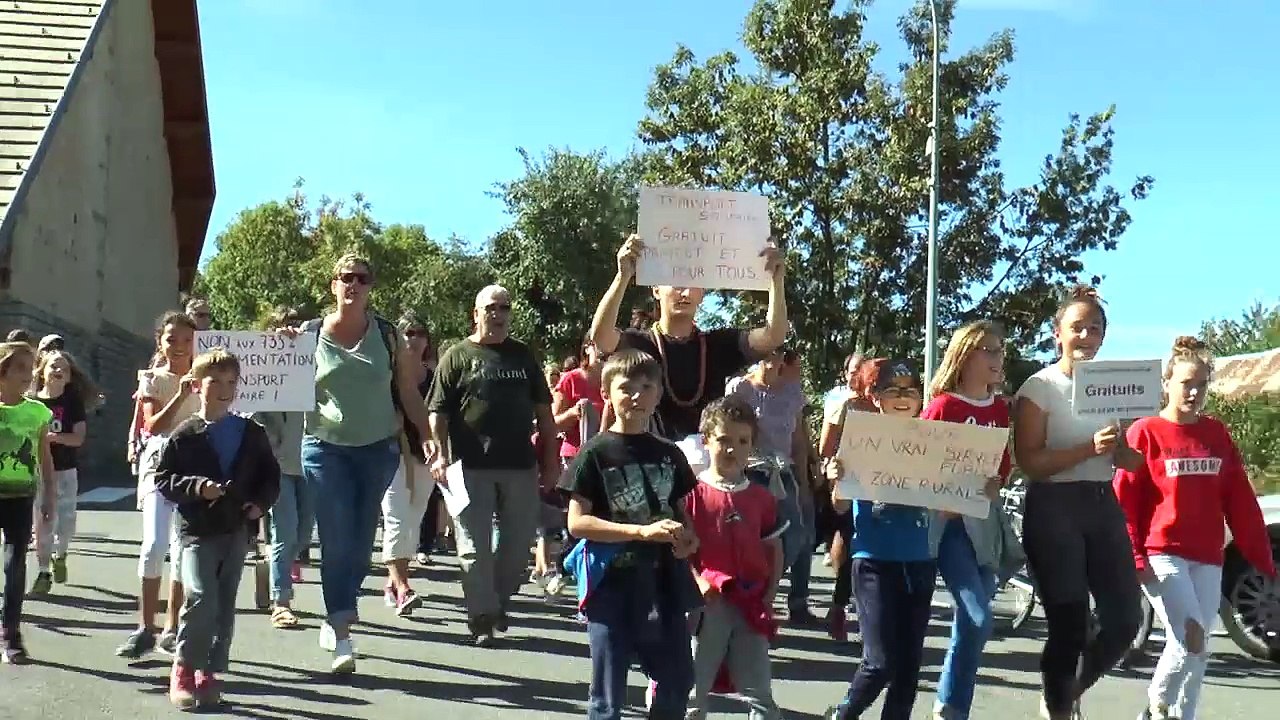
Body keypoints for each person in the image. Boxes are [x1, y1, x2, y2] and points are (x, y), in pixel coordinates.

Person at [1114, 336, 1276, 720]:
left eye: (1202, 384)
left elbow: (1239, 499)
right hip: (1162, 553)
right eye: (1187, 383)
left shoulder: (1215, 434)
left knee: (1199, 648)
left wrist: (1262, 557)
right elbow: (1124, 499)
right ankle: (1156, 706)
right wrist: (1134, 556)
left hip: (1207, 555)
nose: (1194, 392)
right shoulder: (1145, 432)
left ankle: (1184, 714)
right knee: (1189, 638)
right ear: (1167, 382)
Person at [1012, 285, 1144, 720]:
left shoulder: (1112, 385)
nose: (1086, 336)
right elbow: (1030, 462)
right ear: (1057, 333)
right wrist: (1089, 448)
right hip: (1054, 507)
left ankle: (1066, 692)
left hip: (1101, 502)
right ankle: (1060, 708)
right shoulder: (1040, 387)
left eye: (1095, 328)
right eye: (1077, 328)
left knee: (1125, 620)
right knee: (1068, 625)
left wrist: (1129, 455)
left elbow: (1121, 454)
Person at [296, 253, 432, 674]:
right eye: (345, 277)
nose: (353, 284)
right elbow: (278, 382)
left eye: (362, 278)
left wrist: (427, 436)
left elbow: (408, 391)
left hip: (377, 447)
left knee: (360, 540)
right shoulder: (309, 334)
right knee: (335, 534)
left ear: (371, 287)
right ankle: (340, 626)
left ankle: (339, 604)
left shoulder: (387, 335)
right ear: (332, 285)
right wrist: (281, 344)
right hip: (325, 446)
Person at [558, 349, 701, 720]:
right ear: (606, 394)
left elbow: (683, 515)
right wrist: (639, 531)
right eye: (626, 388)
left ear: (658, 395)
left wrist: (689, 540)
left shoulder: (670, 454)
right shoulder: (595, 454)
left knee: (678, 679)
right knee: (608, 694)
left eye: (646, 386)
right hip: (611, 585)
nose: (636, 395)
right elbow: (577, 523)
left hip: (663, 585)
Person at [427, 285, 559, 646]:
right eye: (490, 307)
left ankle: (496, 601)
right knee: (473, 546)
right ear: (476, 313)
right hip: (468, 467)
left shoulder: (523, 357)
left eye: (504, 307)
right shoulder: (456, 357)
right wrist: (438, 453)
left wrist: (551, 460)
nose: (498, 313)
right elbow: (437, 413)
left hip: (520, 465)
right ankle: (481, 616)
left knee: (517, 549)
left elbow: (545, 414)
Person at [154, 348, 281, 708]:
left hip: (236, 530)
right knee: (199, 597)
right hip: (197, 531)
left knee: (224, 603)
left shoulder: (250, 431)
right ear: (197, 385)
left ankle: (210, 671)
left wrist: (260, 504)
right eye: (214, 382)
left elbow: (269, 476)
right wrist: (198, 488)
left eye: (231, 382)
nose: (224, 389)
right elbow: (164, 480)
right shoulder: (185, 434)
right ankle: (183, 667)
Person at [588, 233, 788, 441]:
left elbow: (774, 335)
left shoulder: (718, 344)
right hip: (655, 459)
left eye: (692, 283)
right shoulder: (641, 344)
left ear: (702, 292)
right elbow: (601, 336)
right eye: (675, 283)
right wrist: (623, 276)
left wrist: (776, 280)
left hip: (708, 463)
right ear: (656, 289)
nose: (684, 293)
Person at [824, 359, 938, 720]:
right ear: (876, 398)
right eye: (893, 390)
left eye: (911, 391)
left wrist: (976, 488)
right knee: (880, 660)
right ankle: (843, 714)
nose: (903, 398)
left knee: (908, 668)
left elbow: (951, 505)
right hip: (874, 561)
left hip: (920, 562)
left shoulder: (934, 442)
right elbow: (840, 505)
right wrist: (836, 475)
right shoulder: (861, 439)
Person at [920, 321, 1011, 720]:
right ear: (966, 355)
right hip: (951, 527)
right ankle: (952, 707)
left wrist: (995, 482)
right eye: (989, 350)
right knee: (978, 615)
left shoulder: (999, 409)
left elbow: (1004, 468)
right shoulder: (943, 407)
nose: (998, 358)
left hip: (984, 526)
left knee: (970, 625)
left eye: (1000, 350)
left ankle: (951, 707)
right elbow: (915, 463)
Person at [684, 395, 785, 720]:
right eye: (724, 440)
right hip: (708, 604)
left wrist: (770, 593)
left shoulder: (761, 497)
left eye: (742, 441)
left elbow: (774, 548)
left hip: (751, 602)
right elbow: (680, 552)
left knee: (758, 687)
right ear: (706, 441)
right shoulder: (692, 495)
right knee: (694, 687)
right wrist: (697, 583)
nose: (733, 449)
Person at [118, 310, 200, 659]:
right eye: (172, 339)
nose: (179, 347)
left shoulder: (205, 378)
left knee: (183, 550)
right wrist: (180, 396)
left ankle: (172, 626)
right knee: (154, 544)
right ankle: (144, 626)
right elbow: (152, 424)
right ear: (160, 342)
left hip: (194, 469)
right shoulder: (154, 379)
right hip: (159, 466)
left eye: (186, 340)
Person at [727, 348, 816, 624]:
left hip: (782, 471)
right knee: (751, 537)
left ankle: (764, 589)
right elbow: (726, 429)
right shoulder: (740, 388)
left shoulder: (791, 392)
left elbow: (799, 441)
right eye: (765, 354)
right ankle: (745, 596)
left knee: (797, 534)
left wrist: (803, 483)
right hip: (750, 471)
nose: (770, 359)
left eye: (776, 354)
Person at [253, 306, 312, 630]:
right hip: (277, 464)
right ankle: (281, 601)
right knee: (285, 533)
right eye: (282, 327)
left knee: (303, 536)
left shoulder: (312, 361)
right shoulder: (263, 367)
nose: (289, 331)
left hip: (310, 461)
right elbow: (248, 406)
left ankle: (267, 567)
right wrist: (268, 433)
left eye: (294, 325)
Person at [819, 357, 885, 642]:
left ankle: (871, 612)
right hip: (849, 483)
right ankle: (838, 608)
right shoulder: (846, 405)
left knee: (873, 548)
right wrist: (834, 473)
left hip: (883, 486)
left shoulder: (893, 409)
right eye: (875, 384)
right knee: (849, 539)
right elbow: (826, 447)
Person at [378, 315, 436, 617]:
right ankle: (403, 588)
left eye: (419, 333)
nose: (413, 339)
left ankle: (392, 581)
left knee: (413, 520)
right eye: (407, 333)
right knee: (397, 516)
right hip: (392, 453)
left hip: (425, 456)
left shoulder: (434, 378)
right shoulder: (386, 375)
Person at [0, 341, 55, 664]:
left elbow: (44, 458)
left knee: (14, 564)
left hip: (21, 496)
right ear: (3, 371)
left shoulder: (36, 412)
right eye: (20, 367)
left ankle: (10, 632)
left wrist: (49, 495)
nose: (29, 374)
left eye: (31, 367)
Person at [30, 350, 96, 592]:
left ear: (69, 377)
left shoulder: (72, 403)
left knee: (65, 523)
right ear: (42, 372)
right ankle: (43, 572)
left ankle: (61, 554)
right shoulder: (33, 402)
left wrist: (51, 438)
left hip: (65, 471)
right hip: (37, 471)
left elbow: (78, 438)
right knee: (42, 523)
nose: (58, 371)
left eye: (64, 369)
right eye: (53, 367)